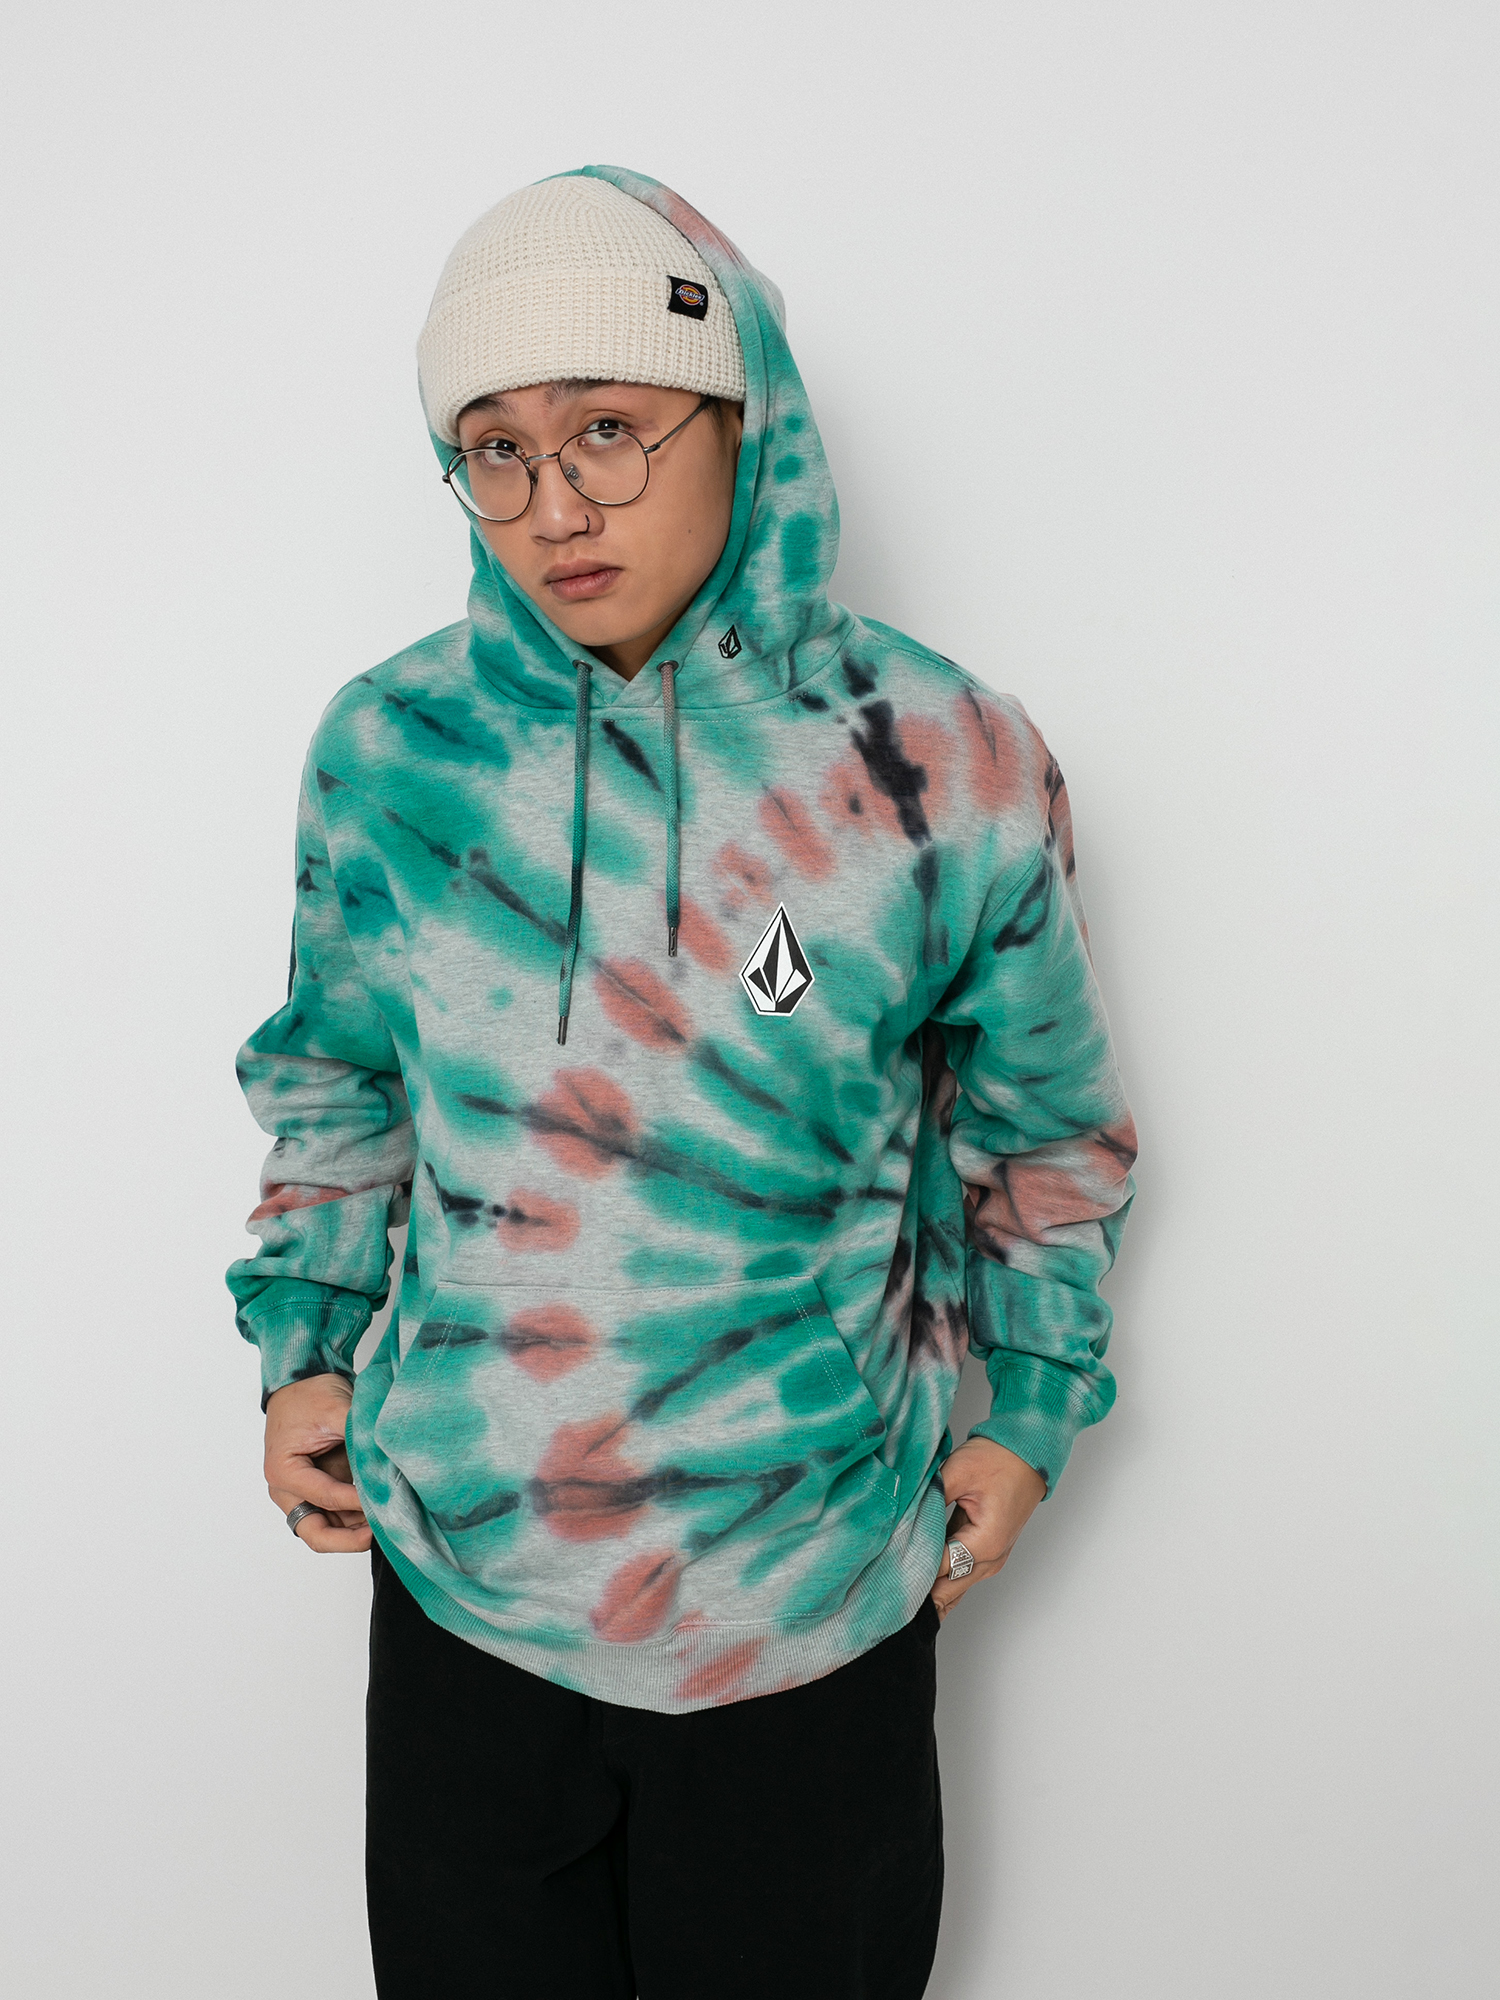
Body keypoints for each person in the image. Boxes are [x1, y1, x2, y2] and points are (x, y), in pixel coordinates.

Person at [229, 166, 1137, 2000]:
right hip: (467, 1595)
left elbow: (1044, 1134)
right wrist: (301, 1346)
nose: (554, 507)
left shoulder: (942, 758)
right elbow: (335, 1084)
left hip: (811, 1604)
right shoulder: (390, 754)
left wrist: (1033, 1408)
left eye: (608, 430)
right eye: (494, 450)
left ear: (745, 419)